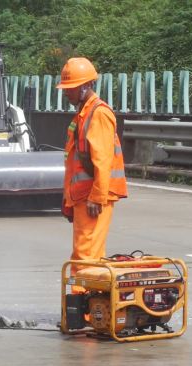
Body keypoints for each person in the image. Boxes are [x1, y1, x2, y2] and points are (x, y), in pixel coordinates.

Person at [56, 57, 128, 294]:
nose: (66, 94)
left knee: (85, 257)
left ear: (85, 86)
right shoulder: (83, 114)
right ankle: (91, 309)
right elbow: (75, 163)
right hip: (82, 198)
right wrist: (68, 201)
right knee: (88, 255)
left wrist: (97, 197)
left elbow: (103, 160)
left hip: (92, 199)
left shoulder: (98, 114)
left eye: (70, 89)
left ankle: (83, 311)